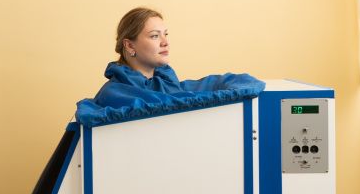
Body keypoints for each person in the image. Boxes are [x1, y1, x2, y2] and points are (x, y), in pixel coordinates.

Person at [84, 8, 263, 119]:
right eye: (155, 36)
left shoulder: (163, 83)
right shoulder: (115, 92)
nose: (165, 42)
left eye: (166, 34)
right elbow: (173, 102)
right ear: (130, 45)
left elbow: (231, 82)